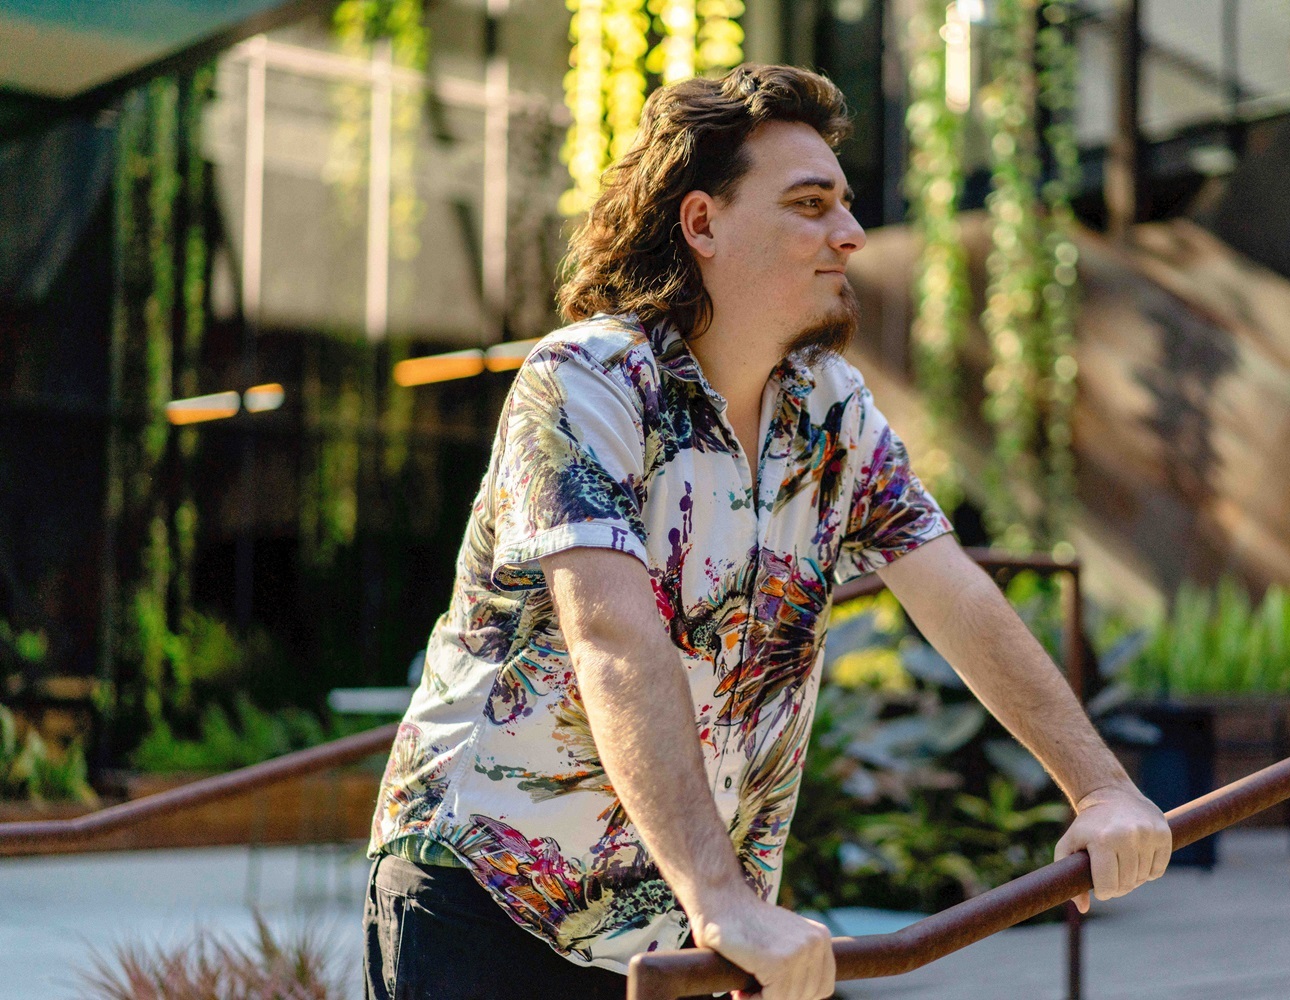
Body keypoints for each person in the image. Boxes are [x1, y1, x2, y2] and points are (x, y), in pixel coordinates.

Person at [363, 63, 1172, 1000]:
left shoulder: (831, 411)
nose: (851, 233)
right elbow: (614, 640)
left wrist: (1100, 787)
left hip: (676, 928)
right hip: (487, 897)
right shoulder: (586, 381)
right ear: (702, 223)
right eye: (810, 203)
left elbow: (953, 591)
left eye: (845, 204)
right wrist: (722, 897)